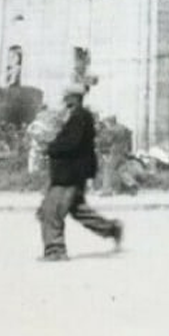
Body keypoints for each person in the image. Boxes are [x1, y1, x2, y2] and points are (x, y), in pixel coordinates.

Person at [38, 88, 123, 260]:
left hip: (69, 174)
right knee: (79, 211)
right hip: (73, 174)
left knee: (51, 211)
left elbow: (71, 143)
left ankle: (55, 250)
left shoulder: (79, 116)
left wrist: (50, 147)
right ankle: (111, 229)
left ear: (75, 98)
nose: (64, 100)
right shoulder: (78, 116)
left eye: (67, 97)